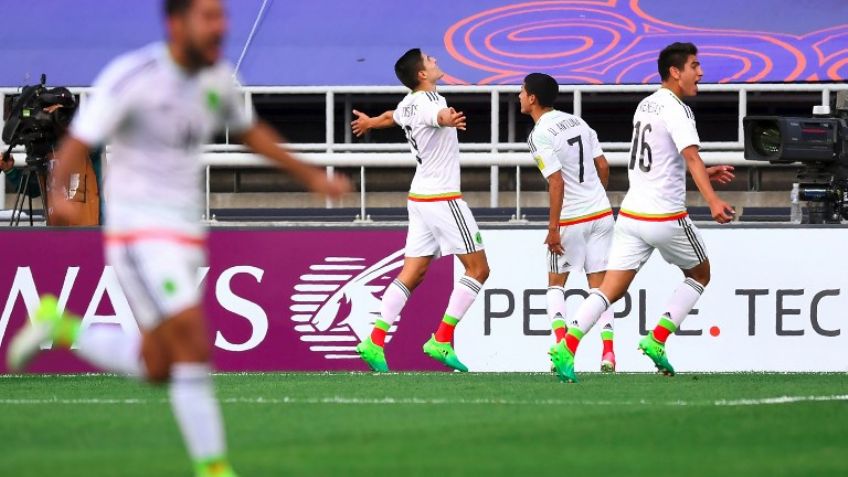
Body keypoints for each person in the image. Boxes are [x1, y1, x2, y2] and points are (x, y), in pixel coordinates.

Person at [6, 1, 350, 476]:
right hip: (139, 233)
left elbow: (252, 134)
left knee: (157, 365)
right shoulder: (133, 76)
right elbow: (78, 140)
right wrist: (61, 192)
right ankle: (214, 468)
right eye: (208, 17)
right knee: (193, 342)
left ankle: (61, 327)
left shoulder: (215, 79)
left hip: (185, 236)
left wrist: (311, 175)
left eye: (222, 16)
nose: (220, 26)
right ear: (176, 23)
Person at [549, 42, 735, 383]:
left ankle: (567, 345)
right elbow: (690, 156)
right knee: (700, 274)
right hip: (665, 217)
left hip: (632, 215)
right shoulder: (678, 109)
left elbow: (660, 161)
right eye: (695, 66)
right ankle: (657, 338)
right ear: (675, 72)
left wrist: (704, 175)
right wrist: (712, 200)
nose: (701, 72)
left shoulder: (646, 104)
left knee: (609, 289)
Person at [349, 48, 490, 373]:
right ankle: (441, 339)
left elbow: (391, 117)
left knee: (413, 273)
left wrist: (371, 122)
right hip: (443, 198)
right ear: (422, 75)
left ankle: (374, 339)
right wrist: (448, 118)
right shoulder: (430, 104)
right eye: (430, 60)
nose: (436, 60)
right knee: (479, 270)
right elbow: (436, 117)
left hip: (420, 198)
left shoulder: (408, 102)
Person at [518, 73, 617, 378]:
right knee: (600, 288)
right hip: (601, 213)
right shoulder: (578, 122)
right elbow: (603, 166)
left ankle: (562, 347)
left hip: (572, 218)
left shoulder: (539, 134)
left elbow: (556, 181)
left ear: (532, 98)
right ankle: (609, 353)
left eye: (521, 92)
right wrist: (594, 196)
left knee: (555, 283)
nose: (519, 96)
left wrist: (552, 228)